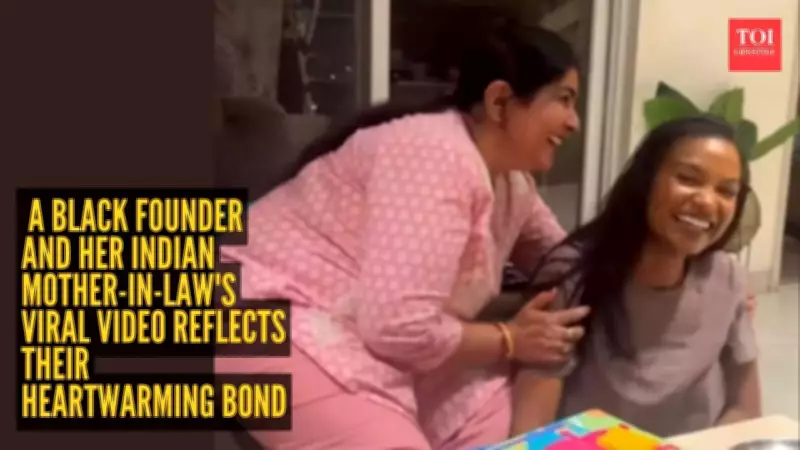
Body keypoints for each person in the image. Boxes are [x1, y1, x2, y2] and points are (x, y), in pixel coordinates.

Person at [215, 20, 592, 449]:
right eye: (564, 100)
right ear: (500, 101)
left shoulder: (512, 183)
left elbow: (563, 258)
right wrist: (511, 339)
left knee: (495, 418)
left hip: (381, 339)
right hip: (274, 318)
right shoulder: (434, 152)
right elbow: (398, 327)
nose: (574, 123)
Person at [510, 116, 762, 438]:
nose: (706, 201)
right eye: (688, 178)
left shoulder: (728, 278)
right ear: (646, 180)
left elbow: (746, 410)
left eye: (726, 191)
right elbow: (532, 431)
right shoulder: (573, 275)